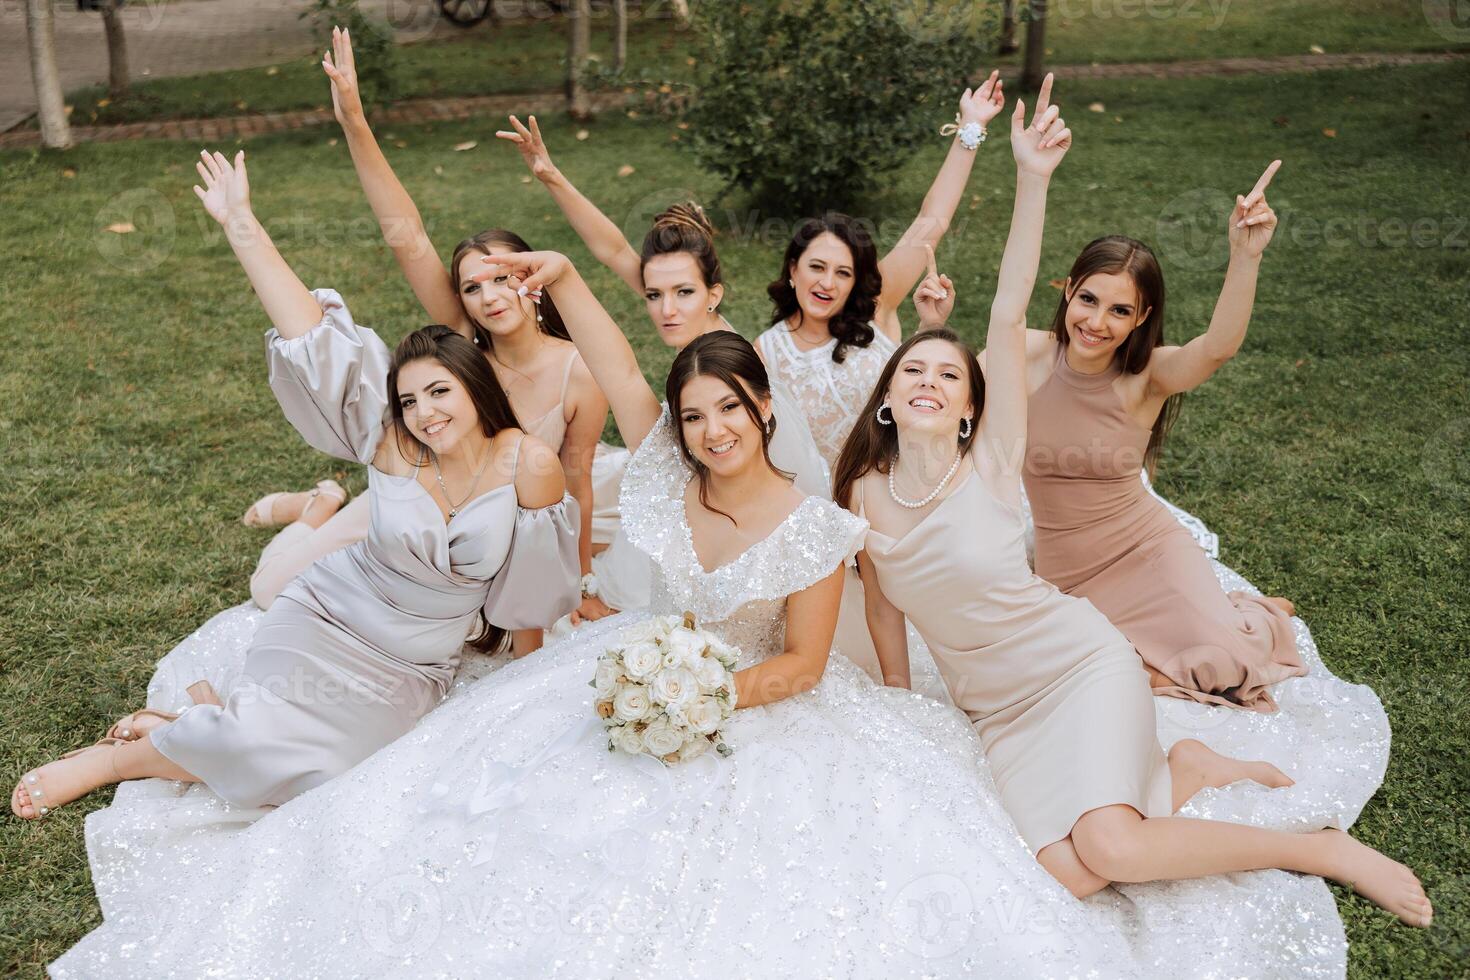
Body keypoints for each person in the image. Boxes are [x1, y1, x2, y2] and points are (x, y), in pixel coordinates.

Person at [51, 250, 1134, 978]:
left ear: (765, 408)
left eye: (728, 410)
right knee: (485, 813)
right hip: (638, 661)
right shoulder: (668, 474)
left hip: (755, 702)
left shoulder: (816, 522)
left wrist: (708, 691)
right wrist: (566, 280)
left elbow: (804, 662)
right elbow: (620, 366)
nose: (710, 429)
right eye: (693, 414)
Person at [836, 89, 1432, 928]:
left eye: (947, 373)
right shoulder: (861, 491)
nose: (930, 381)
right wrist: (899, 703)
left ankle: (1316, 846)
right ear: (886, 398)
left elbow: (1009, 310)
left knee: (1111, 849)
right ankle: (1181, 768)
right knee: (1067, 877)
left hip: (1072, 664)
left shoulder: (994, 458)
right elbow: (879, 597)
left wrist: (1032, 174)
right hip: (995, 707)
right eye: (913, 372)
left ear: (973, 405)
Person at [12, 149, 581, 820]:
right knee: (270, 747)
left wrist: (519, 686)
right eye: (409, 400)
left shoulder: (527, 465)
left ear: (474, 388)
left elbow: (536, 590)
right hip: (329, 618)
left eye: (440, 392)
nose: (426, 413)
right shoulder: (395, 440)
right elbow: (308, 331)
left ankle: (191, 728)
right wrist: (240, 223)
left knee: (328, 777)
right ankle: (113, 760)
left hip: (411, 666)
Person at [241, 27, 612, 631]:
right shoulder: (462, 340)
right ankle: (317, 506)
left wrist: (580, 584)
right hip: (412, 504)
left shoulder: (578, 373)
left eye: (503, 277)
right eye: (471, 285)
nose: (489, 296)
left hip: (495, 532)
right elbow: (406, 235)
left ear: (533, 279)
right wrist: (355, 122)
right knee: (271, 590)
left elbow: (576, 482)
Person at [1018, 162, 1304, 708]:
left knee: (1222, 668)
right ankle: (1233, 612)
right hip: (1069, 573)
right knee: (1103, 673)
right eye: (1089, 300)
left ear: (1141, 316)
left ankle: (1257, 618)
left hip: (1144, 547)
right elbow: (948, 400)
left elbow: (1217, 347)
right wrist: (933, 323)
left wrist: (1246, 256)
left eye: (1119, 310)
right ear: (1069, 290)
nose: (1097, 322)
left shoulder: (1146, 376)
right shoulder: (1027, 355)